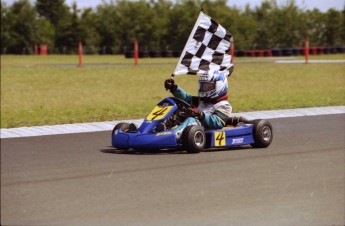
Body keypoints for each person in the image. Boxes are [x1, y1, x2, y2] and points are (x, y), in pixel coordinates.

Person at [164, 70, 232, 133]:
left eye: (207, 87)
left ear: (219, 86)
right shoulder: (203, 101)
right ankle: (158, 130)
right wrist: (174, 88)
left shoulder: (224, 105)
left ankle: (171, 135)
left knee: (191, 120)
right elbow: (187, 99)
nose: (204, 89)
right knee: (173, 114)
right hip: (191, 129)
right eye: (202, 86)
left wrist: (201, 115)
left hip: (204, 130)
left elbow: (218, 122)